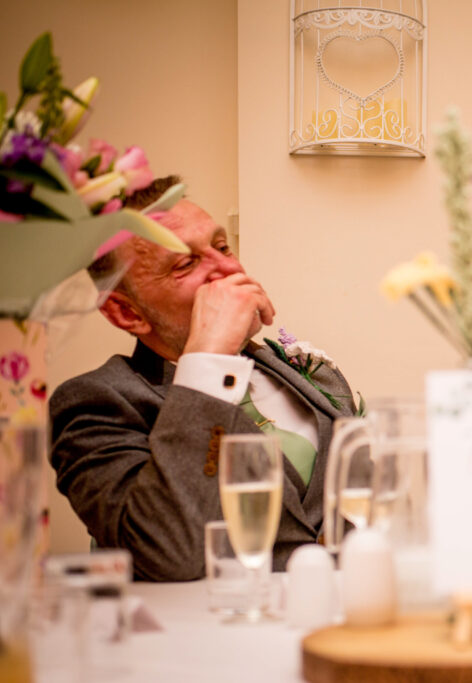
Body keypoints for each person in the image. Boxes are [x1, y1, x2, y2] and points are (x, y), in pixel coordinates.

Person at [49, 176, 357, 581]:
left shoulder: (297, 370)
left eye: (223, 247)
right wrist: (208, 359)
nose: (229, 268)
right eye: (186, 264)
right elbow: (167, 552)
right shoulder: (95, 403)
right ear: (127, 313)